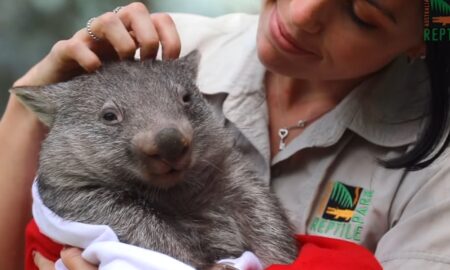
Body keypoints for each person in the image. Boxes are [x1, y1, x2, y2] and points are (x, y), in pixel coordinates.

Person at [1, 0, 450, 269]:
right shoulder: (169, 46)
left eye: (360, 13)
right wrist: (30, 102)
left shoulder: (438, 173)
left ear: (423, 38)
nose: (299, 15)